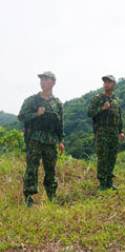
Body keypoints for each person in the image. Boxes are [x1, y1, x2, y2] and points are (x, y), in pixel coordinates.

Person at [18, 71, 65, 207]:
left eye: (46, 79)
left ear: (53, 83)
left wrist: (61, 140)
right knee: (32, 167)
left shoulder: (57, 104)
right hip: (34, 139)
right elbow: (21, 116)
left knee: (50, 168)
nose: (42, 82)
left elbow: (60, 123)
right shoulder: (32, 100)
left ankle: (52, 195)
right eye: (41, 80)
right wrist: (36, 114)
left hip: (51, 140)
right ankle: (28, 197)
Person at [87, 75, 125, 191]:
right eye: (105, 82)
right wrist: (102, 109)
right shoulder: (98, 98)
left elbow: (119, 117)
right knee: (103, 157)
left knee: (112, 157)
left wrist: (121, 131)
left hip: (114, 132)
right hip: (102, 131)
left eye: (109, 82)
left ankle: (109, 182)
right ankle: (102, 183)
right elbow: (89, 113)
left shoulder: (116, 101)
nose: (106, 84)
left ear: (114, 85)